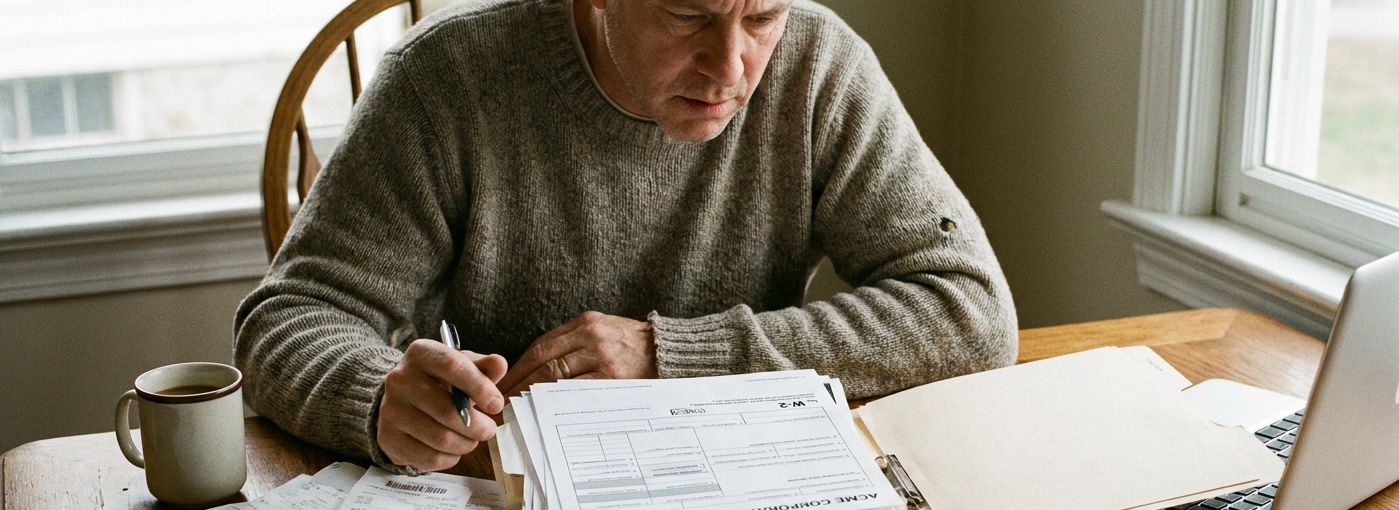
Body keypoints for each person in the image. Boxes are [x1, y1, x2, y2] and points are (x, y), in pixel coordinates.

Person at [234, 0, 1018, 474]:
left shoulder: (819, 66)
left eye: (763, 17)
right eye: (688, 15)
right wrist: (375, 396)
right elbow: (289, 316)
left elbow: (970, 312)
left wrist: (672, 357)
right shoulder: (447, 78)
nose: (731, 68)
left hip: (756, 499)